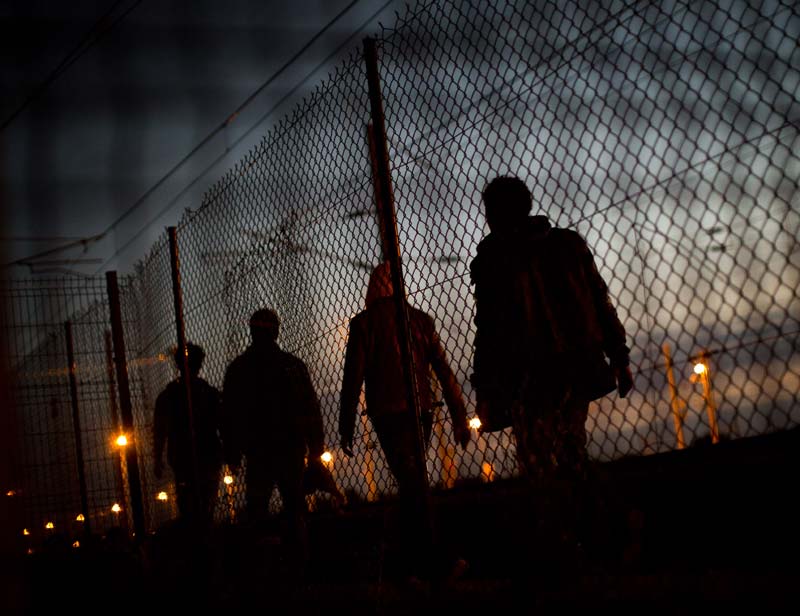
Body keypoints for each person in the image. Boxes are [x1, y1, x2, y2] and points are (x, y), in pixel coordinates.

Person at [469, 175, 634, 567]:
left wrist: (485, 389)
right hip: (577, 364)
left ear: (492, 214)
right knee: (572, 450)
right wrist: (619, 356)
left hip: (529, 373)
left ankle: (562, 544)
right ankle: (602, 534)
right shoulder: (567, 244)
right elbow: (600, 300)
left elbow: (488, 331)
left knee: (537, 463)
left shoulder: (494, 259)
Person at [339, 261, 471, 582]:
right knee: (414, 483)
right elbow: (443, 369)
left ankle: (425, 563)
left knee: (411, 484)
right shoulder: (420, 320)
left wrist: (346, 424)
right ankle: (425, 563)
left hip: (387, 413)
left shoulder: (363, 324)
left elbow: (352, 378)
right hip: (421, 411)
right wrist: (458, 415)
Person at [221, 308, 327, 573]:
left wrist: (232, 452)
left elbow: (229, 416)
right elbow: (310, 408)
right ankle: (300, 565)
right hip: (290, 447)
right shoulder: (292, 365)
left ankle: (258, 568)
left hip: (257, 451)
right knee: (294, 506)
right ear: (276, 331)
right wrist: (316, 447)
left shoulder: (238, 369)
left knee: (257, 508)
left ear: (252, 332)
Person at [153, 342, 223, 528]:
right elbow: (222, 424)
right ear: (200, 364)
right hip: (208, 455)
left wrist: (157, 457)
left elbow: (160, 430)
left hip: (182, 457)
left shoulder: (168, 396)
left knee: (188, 506)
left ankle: (195, 539)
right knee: (207, 505)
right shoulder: (209, 393)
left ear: (177, 365)